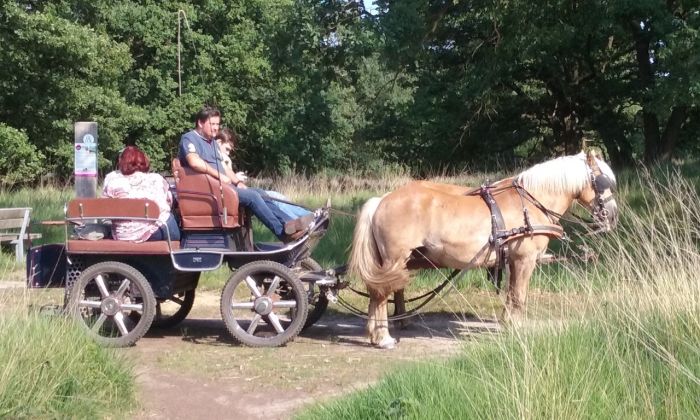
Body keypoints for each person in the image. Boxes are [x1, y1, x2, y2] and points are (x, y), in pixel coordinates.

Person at [178, 106, 311, 242]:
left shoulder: (212, 143)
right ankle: (282, 233)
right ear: (200, 123)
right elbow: (194, 162)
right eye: (212, 124)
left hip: (224, 189)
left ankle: (290, 225)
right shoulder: (189, 138)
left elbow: (225, 168)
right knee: (252, 197)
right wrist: (218, 175)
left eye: (217, 124)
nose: (216, 128)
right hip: (207, 192)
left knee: (260, 193)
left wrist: (238, 182)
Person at [215, 127, 314, 221]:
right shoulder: (217, 157)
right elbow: (223, 179)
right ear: (219, 142)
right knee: (273, 197)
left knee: (276, 196)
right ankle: (301, 220)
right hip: (231, 195)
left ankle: (308, 215)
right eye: (227, 149)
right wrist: (236, 178)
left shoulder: (221, 158)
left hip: (235, 192)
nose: (228, 153)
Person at [103, 145, 181, 242]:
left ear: (121, 163)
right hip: (155, 232)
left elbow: (105, 209)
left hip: (123, 235)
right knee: (172, 215)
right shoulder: (156, 179)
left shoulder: (113, 183)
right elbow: (170, 202)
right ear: (144, 161)